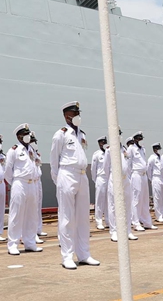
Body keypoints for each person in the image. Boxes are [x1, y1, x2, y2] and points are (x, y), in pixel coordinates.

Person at [49, 101, 98, 270]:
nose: (77, 116)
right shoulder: (60, 135)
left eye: (78, 113)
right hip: (67, 174)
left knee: (83, 216)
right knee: (67, 217)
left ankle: (84, 254)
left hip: (82, 175)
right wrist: (59, 180)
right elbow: (54, 161)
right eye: (73, 113)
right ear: (66, 116)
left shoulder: (81, 134)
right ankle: (67, 256)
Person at [3, 124, 43, 255]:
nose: (27, 136)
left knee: (31, 214)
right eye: (25, 134)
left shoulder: (31, 149)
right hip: (19, 183)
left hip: (32, 184)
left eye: (28, 133)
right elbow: (8, 171)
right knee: (16, 214)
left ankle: (30, 242)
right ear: (19, 137)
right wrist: (15, 182)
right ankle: (13, 244)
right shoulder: (13, 151)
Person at [102, 133, 137, 242]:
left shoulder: (124, 149)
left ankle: (127, 231)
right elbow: (106, 167)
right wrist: (113, 178)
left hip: (126, 179)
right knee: (113, 206)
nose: (118, 136)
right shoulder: (109, 150)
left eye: (119, 134)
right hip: (115, 179)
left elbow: (128, 165)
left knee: (127, 205)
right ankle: (114, 231)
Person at [128, 133, 154, 230]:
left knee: (145, 199)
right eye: (139, 139)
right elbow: (128, 164)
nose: (140, 140)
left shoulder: (143, 149)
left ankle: (147, 222)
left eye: (141, 138)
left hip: (144, 175)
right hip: (136, 175)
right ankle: (136, 222)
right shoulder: (131, 149)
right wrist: (131, 177)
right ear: (135, 139)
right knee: (136, 199)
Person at [91, 137, 108, 230]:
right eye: (101, 142)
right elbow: (93, 169)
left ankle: (108, 220)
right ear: (99, 144)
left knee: (109, 201)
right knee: (100, 201)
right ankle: (99, 221)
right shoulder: (97, 154)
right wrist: (96, 180)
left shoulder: (109, 153)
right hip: (100, 178)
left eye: (104, 142)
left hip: (109, 178)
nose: (103, 144)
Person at [147, 143, 163, 225]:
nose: (158, 150)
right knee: (157, 198)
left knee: (162, 197)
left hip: (162, 178)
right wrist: (151, 179)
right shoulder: (152, 158)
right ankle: (158, 215)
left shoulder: (161, 157)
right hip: (156, 177)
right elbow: (148, 169)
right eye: (157, 149)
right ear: (154, 149)